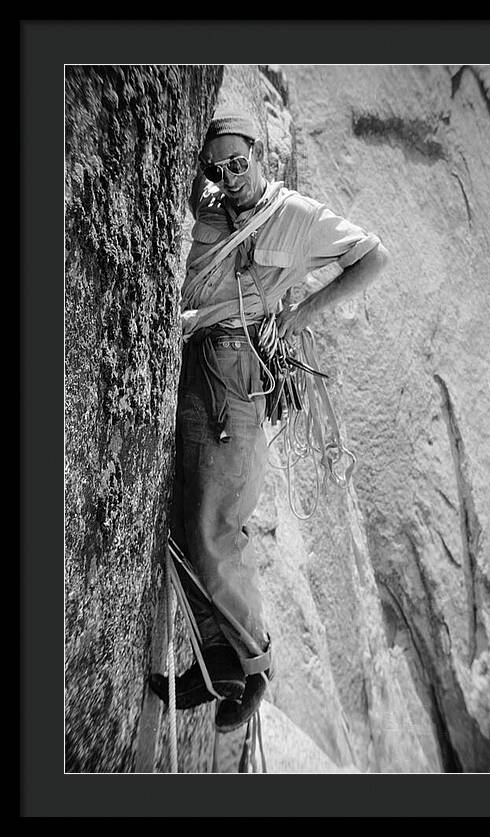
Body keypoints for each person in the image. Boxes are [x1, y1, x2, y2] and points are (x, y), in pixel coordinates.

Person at [149, 107, 389, 732]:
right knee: (185, 511)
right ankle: (217, 662)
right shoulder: (208, 208)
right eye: (217, 167)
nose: (229, 176)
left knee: (218, 523)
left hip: (237, 372)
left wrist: (302, 313)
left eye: (239, 163)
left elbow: (372, 257)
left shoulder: (296, 216)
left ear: (263, 157)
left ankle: (253, 667)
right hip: (200, 360)